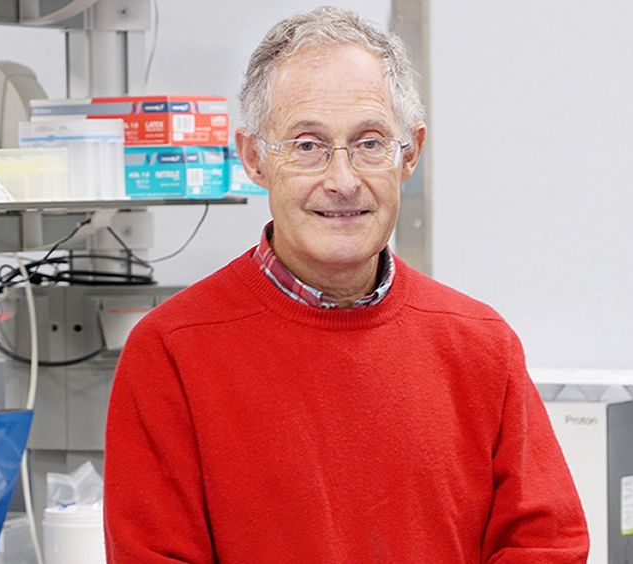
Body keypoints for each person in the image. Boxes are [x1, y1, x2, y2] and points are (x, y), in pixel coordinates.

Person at [104, 7, 588, 563]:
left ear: (410, 154)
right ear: (255, 159)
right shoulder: (171, 352)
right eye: (308, 145)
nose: (343, 180)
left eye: (370, 143)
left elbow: (546, 544)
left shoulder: (481, 345)